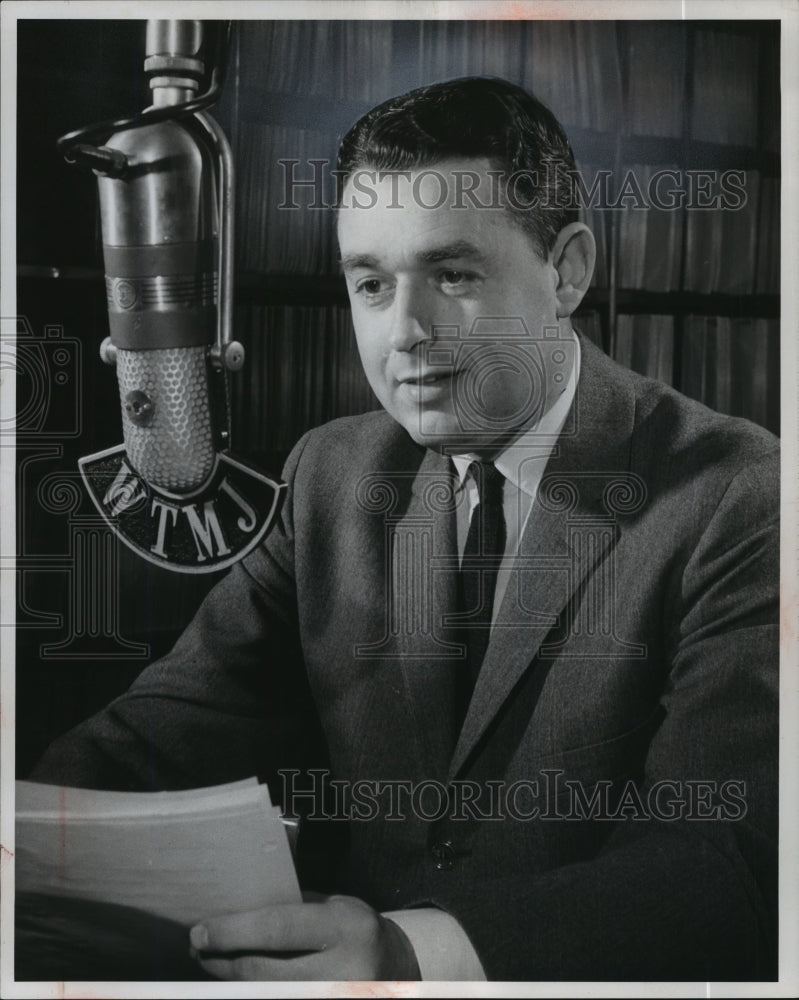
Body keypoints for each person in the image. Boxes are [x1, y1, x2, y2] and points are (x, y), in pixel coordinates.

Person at [28, 77, 779, 982]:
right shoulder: (329, 477)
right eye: (371, 283)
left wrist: (406, 954)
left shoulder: (739, 493)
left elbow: (732, 868)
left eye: (453, 276)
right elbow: (161, 734)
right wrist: (25, 829)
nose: (405, 332)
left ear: (567, 271)